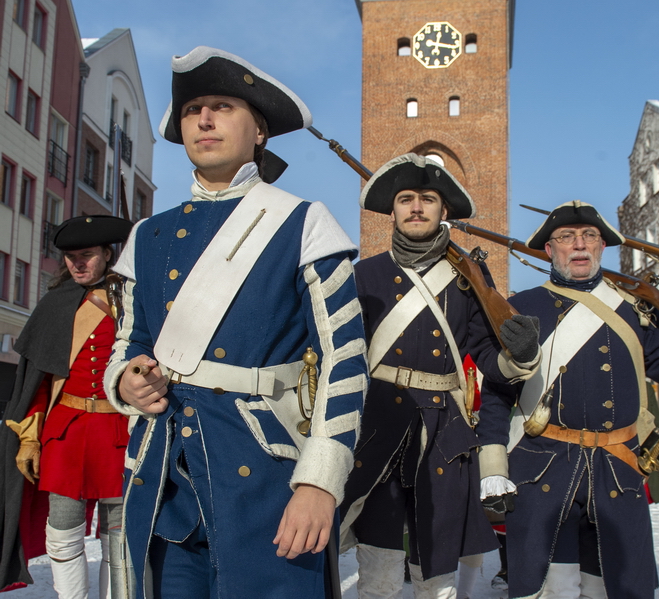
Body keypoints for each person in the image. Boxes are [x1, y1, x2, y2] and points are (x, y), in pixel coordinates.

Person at [102, 47, 368, 599]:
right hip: (169, 482)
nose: (203, 119)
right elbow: (130, 340)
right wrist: (126, 379)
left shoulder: (303, 222)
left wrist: (319, 481)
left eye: (222, 106)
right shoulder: (147, 236)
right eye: (192, 109)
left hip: (271, 485)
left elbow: (345, 358)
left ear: (260, 131)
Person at [476, 200, 659, 599]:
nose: (580, 245)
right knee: (549, 588)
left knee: (621, 587)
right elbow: (498, 393)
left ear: (603, 247)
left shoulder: (635, 310)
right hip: (542, 467)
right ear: (549, 250)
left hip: (618, 471)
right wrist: (493, 465)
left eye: (590, 236)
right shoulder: (523, 307)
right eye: (567, 237)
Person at [340, 153, 541, 598]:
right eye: (406, 199)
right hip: (378, 427)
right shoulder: (364, 274)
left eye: (427, 199)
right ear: (392, 210)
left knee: (438, 568)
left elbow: (487, 356)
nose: (416, 207)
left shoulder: (469, 274)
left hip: (443, 432)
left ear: (443, 210)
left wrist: (518, 355)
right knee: (379, 564)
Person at [2, 215, 133, 598]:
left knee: (118, 535)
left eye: (87, 255)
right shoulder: (54, 303)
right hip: (66, 433)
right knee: (62, 530)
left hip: (119, 432)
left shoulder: (131, 300)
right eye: (71, 256)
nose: (78, 263)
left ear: (107, 255)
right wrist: (29, 437)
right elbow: (38, 380)